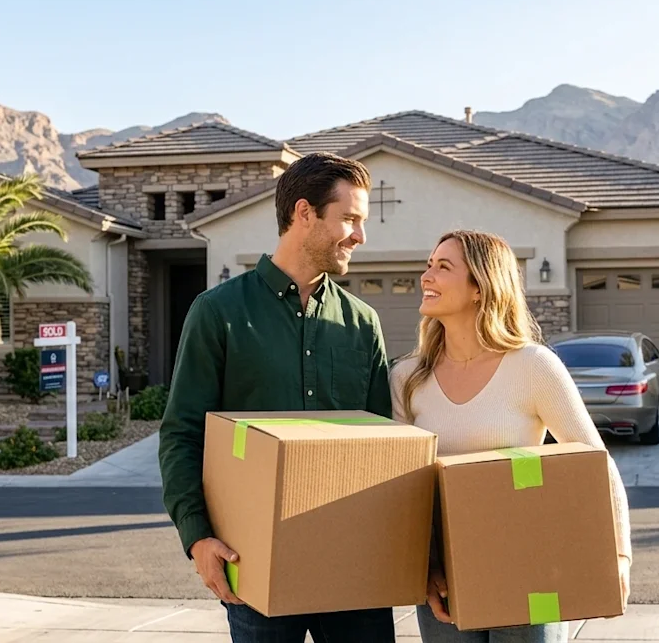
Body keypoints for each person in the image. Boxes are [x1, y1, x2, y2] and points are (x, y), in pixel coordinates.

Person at [159, 152, 397, 642]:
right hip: (254, 564)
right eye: (349, 218)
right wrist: (198, 537)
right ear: (304, 213)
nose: (360, 235)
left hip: (352, 566)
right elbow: (183, 433)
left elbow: (383, 447)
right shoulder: (218, 313)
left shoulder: (363, 324)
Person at [389, 229, 632, 643]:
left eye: (443, 267)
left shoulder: (534, 367)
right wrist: (422, 568)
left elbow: (595, 464)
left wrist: (619, 556)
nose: (426, 276)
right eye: (429, 265)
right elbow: (402, 486)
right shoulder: (408, 377)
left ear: (481, 287)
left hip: (531, 563)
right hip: (446, 577)